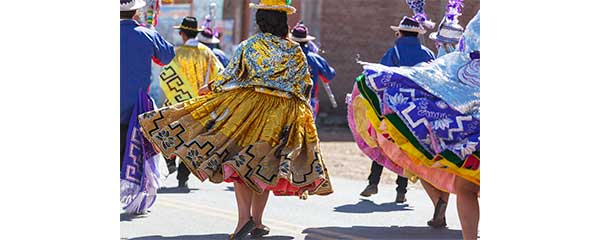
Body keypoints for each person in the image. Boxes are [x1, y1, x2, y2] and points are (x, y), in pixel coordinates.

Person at [137, 1, 333, 239]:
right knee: (265, 167)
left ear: (261, 21)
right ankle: (258, 222)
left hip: (250, 110)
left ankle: (243, 221)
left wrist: (210, 88)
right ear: (283, 22)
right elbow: (305, 85)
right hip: (285, 114)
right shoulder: (295, 51)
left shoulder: (249, 46)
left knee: (241, 165)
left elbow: (230, 76)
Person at [360, 10, 480, 240]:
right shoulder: (427, 52)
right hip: (451, 109)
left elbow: (398, 77)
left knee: (419, 158)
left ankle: (430, 200)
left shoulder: (397, 51)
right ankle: (408, 194)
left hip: (428, 108)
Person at [360, 15, 435, 204]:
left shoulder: (394, 51)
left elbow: (382, 76)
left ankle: (373, 182)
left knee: (383, 141)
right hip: (419, 110)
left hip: (394, 107)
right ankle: (401, 191)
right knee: (407, 147)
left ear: (400, 32)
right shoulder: (427, 53)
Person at [120, 0, 175, 214]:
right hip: (136, 108)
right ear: (135, 12)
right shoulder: (146, 34)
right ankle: (137, 201)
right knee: (138, 153)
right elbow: (167, 56)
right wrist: (152, 32)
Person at [159, 16, 224, 189]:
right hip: (200, 106)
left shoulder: (176, 53)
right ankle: (182, 177)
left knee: (168, 133)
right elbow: (220, 76)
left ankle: (170, 160)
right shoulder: (207, 53)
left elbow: (166, 79)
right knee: (192, 141)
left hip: (177, 103)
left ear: (182, 33)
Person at [289, 22, 336, 121]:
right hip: (308, 102)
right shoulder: (314, 58)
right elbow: (329, 75)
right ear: (306, 41)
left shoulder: (284, 56)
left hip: (286, 100)